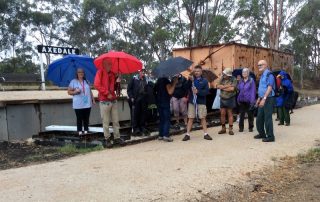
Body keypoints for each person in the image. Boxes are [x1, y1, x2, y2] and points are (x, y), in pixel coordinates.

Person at [94, 59, 124, 148]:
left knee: (116, 121)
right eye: (108, 64)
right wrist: (107, 93)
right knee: (105, 122)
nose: (110, 65)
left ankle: (117, 137)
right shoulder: (100, 72)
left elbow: (115, 87)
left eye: (110, 64)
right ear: (104, 65)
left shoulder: (112, 74)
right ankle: (107, 139)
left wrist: (118, 80)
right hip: (104, 100)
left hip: (113, 100)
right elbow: (96, 84)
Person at [182, 65, 212, 141]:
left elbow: (206, 92)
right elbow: (185, 88)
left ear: (201, 72)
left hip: (201, 102)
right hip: (192, 102)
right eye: (195, 71)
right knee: (191, 118)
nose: (196, 72)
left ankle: (206, 134)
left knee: (202, 118)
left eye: (198, 71)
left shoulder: (205, 81)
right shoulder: (191, 79)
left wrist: (198, 92)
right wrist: (189, 81)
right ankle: (187, 134)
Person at [67, 68, 95, 135]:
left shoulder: (87, 81)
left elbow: (90, 91)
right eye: (79, 72)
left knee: (86, 118)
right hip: (78, 104)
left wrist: (93, 99)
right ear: (77, 73)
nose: (81, 73)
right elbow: (69, 92)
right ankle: (79, 131)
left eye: (82, 72)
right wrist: (75, 92)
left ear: (84, 73)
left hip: (87, 102)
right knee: (79, 118)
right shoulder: (73, 81)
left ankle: (86, 130)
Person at [254, 60, 276, 142]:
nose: (259, 66)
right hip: (262, 98)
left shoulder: (269, 75)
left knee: (267, 118)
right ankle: (262, 133)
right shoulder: (262, 75)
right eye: (258, 65)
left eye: (261, 65)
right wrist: (259, 99)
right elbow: (261, 89)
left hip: (268, 99)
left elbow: (269, 88)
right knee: (259, 117)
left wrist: (264, 99)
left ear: (266, 65)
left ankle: (270, 136)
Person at [154, 76, 178, 142]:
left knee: (162, 119)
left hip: (159, 102)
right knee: (167, 119)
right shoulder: (166, 80)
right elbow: (170, 91)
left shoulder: (158, 80)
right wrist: (174, 83)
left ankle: (160, 135)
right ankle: (166, 135)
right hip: (165, 102)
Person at [127, 69, 149, 136]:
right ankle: (136, 129)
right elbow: (129, 89)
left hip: (143, 98)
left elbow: (147, 88)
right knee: (135, 114)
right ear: (139, 72)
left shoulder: (146, 79)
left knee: (143, 114)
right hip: (136, 99)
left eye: (144, 72)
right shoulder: (134, 79)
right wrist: (131, 97)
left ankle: (142, 127)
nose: (143, 73)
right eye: (142, 72)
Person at [216, 68, 237, 135]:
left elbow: (232, 89)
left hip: (230, 98)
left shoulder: (234, 79)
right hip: (223, 98)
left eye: (225, 74)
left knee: (230, 113)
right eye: (224, 74)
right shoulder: (222, 78)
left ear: (229, 75)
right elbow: (218, 86)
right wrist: (227, 86)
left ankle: (230, 129)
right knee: (222, 114)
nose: (224, 75)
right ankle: (223, 128)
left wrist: (223, 87)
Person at [237, 68, 256, 132]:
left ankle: (250, 127)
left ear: (248, 73)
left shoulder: (251, 81)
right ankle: (241, 128)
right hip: (242, 100)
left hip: (249, 100)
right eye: (243, 73)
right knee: (241, 114)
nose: (244, 74)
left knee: (250, 114)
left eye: (245, 72)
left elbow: (253, 91)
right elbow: (239, 89)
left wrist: (252, 101)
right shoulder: (241, 81)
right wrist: (238, 98)